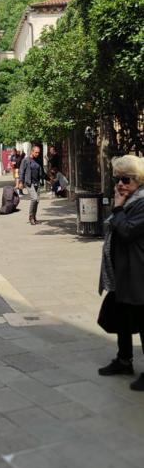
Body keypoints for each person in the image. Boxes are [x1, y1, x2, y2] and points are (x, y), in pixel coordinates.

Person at [97, 156, 144, 388]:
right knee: (122, 318)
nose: (120, 185)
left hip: (138, 273)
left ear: (138, 180)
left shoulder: (142, 203)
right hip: (122, 273)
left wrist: (117, 208)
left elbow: (126, 230)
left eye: (125, 179)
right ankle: (124, 360)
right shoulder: (128, 200)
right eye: (117, 179)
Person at [19, 145, 44, 225]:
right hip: (29, 183)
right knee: (34, 198)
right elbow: (21, 171)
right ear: (32, 151)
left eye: (38, 153)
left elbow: (42, 173)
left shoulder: (38, 160)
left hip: (37, 183)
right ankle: (31, 216)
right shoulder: (26, 160)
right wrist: (20, 182)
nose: (37, 154)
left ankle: (34, 217)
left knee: (37, 201)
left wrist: (49, 179)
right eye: (36, 152)